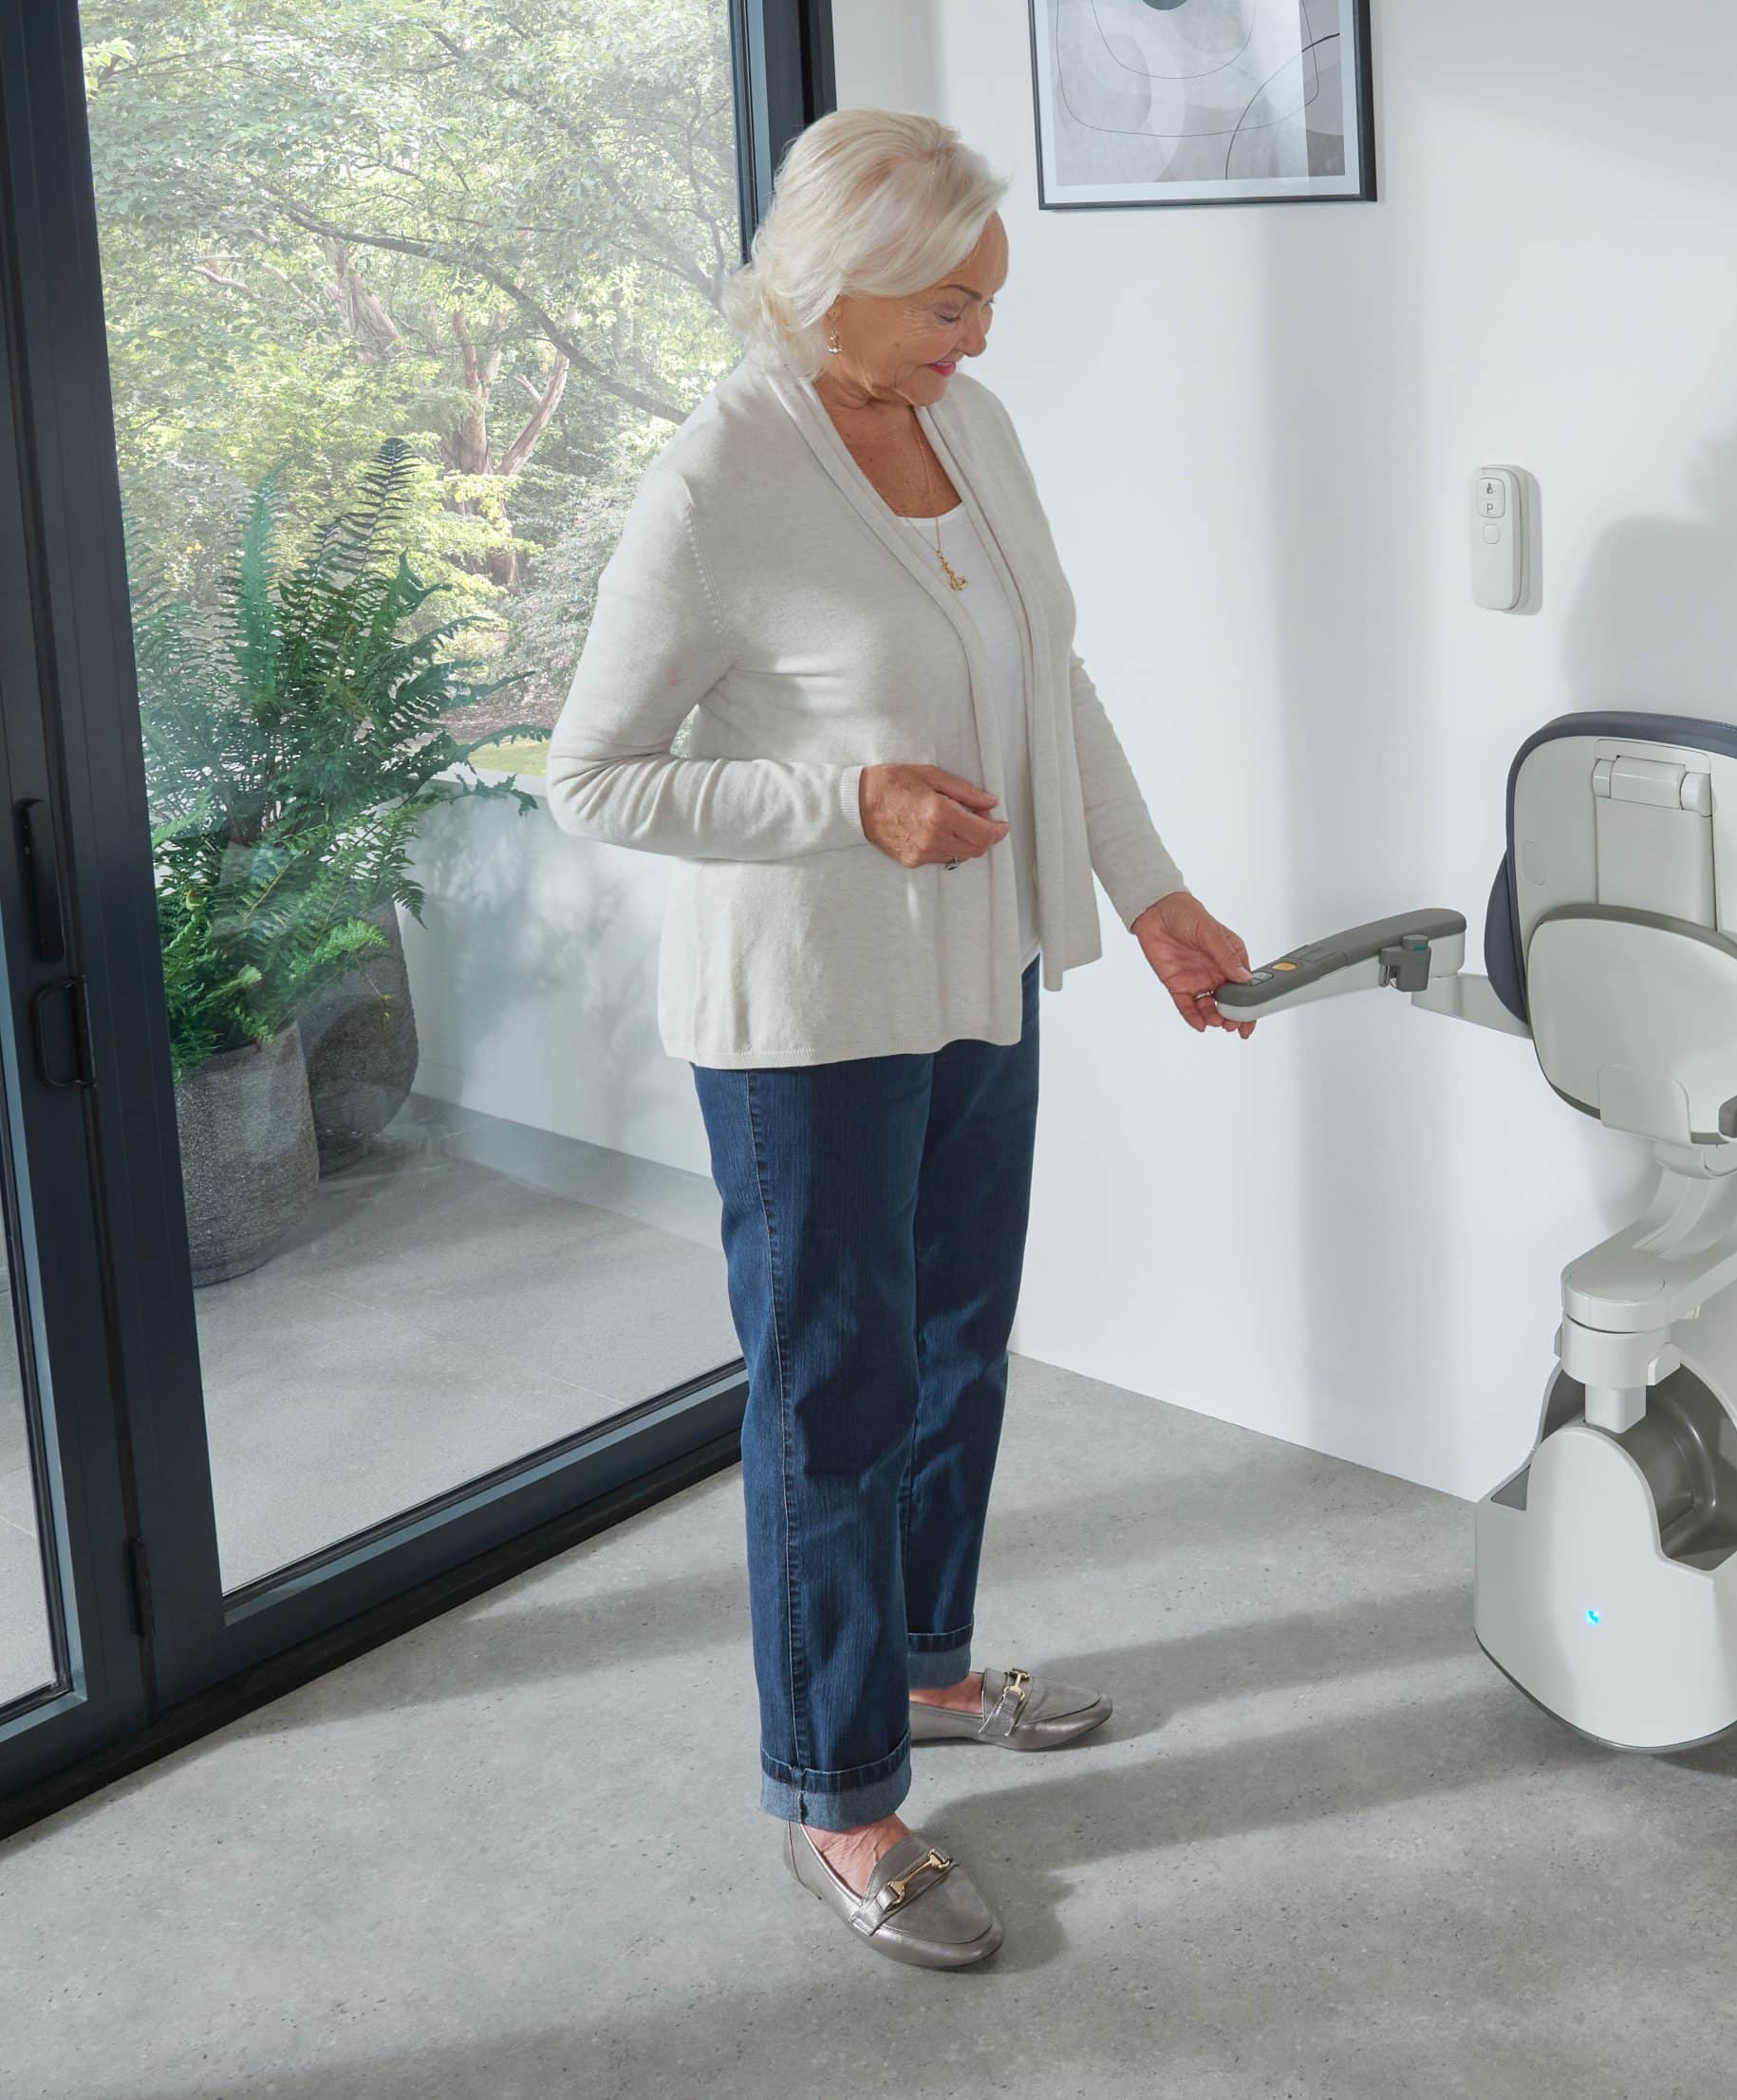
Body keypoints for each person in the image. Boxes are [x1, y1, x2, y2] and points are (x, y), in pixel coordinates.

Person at [547, 108, 1254, 1970]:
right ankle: (837, 1794)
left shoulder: (967, 427)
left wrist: (1153, 886)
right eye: (951, 299)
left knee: (953, 1352)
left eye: (988, 296)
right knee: (833, 1397)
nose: (985, 331)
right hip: (806, 1024)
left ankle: (921, 1675)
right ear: (837, 282)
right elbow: (596, 775)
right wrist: (840, 804)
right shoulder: (721, 476)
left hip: (973, 980)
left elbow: (1052, 678)